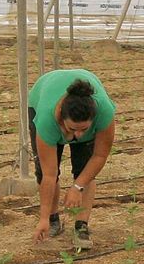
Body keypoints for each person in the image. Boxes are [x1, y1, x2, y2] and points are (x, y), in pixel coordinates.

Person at [27, 69, 117, 250]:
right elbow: (49, 175)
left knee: (84, 170)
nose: (78, 135)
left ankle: (81, 226)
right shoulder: (46, 119)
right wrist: (43, 218)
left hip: (85, 104)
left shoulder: (105, 112)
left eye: (84, 129)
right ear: (61, 116)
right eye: (73, 129)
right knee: (45, 170)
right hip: (40, 95)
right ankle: (52, 220)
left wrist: (77, 186)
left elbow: (100, 156)